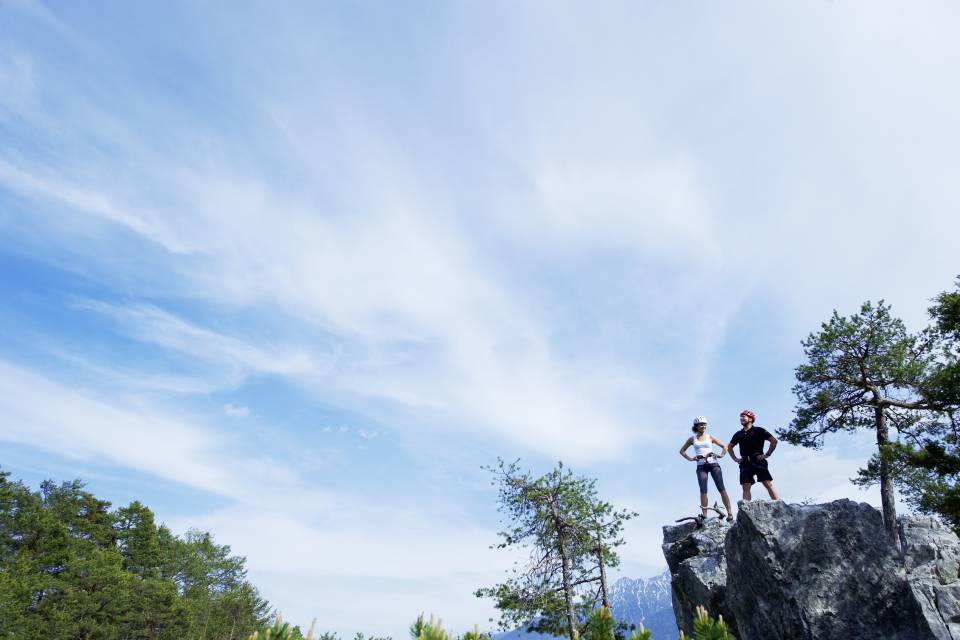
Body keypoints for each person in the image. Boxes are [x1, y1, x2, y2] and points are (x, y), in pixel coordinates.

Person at [679, 416, 734, 522]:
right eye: (701, 424)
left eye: (705, 424)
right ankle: (705, 515)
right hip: (701, 466)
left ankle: (730, 513)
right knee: (703, 490)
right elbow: (682, 451)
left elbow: (724, 446)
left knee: (721, 488)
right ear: (696, 426)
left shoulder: (710, 437)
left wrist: (721, 455)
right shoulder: (692, 439)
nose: (703, 426)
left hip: (713, 464)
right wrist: (690, 459)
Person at [727, 409, 779, 501]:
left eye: (744, 416)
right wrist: (735, 459)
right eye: (741, 417)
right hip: (745, 462)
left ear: (751, 419)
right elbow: (730, 447)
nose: (741, 418)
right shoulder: (738, 434)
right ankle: (746, 509)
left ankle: (778, 504)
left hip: (758, 460)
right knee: (745, 486)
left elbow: (774, 441)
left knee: (767, 483)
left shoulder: (759, 430)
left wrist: (767, 454)